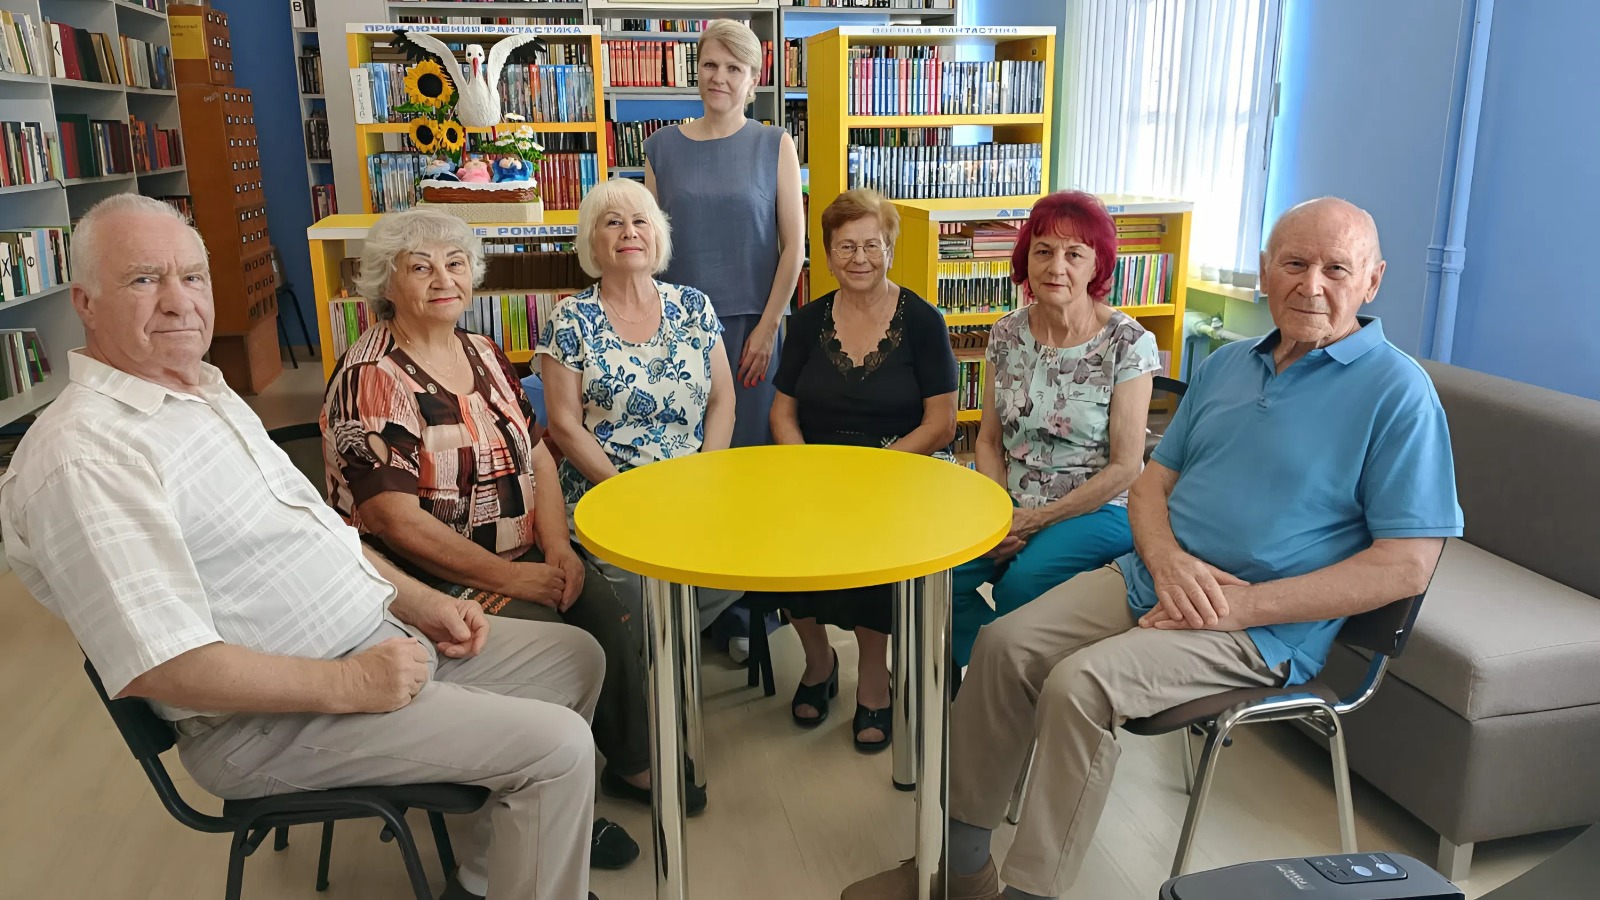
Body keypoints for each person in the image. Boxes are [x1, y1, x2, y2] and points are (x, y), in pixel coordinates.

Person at [841, 197, 1463, 900]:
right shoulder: (1229, 366)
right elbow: (1149, 485)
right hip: (1151, 574)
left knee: (1080, 686)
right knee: (1003, 645)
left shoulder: (1399, 393)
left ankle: (1030, 893)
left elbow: (1407, 565)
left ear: (1372, 281)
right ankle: (959, 871)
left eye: (1336, 269)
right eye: (1294, 263)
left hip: (1258, 625)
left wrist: (1243, 606)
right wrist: (1164, 562)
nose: (1310, 285)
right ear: (1265, 271)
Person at [0, 194, 604, 900]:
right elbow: (160, 666)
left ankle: (487, 877)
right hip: (266, 721)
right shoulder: (84, 455)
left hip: (378, 638)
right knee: (559, 749)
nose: (178, 302)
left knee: (576, 659)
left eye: (192, 277)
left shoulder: (202, 393)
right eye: (144, 279)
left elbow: (322, 531)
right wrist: (353, 684)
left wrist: (421, 604)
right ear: (85, 301)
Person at [319, 208, 695, 839]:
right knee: (554, 648)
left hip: (523, 551)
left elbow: (538, 453)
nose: (443, 279)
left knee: (606, 610)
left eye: (455, 264)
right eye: (420, 267)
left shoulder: (485, 352)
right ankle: (539, 816)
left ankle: (628, 765)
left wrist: (558, 549)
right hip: (420, 577)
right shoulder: (373, 377)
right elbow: (394, 521)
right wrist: (513, 579)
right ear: (387, 283)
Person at [770, 189, 957, 752]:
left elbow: (942, 423)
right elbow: (782, 413)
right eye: (845, 246)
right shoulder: (806, 322)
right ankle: (819, 659)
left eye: (871, 245)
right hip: (817, 466)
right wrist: (807, 467)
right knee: (777, 538)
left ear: (890, 249)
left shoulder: (923, 321)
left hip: (898, 467)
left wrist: (876, 471)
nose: (859, 258)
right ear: (827, 255)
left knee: (880, 540)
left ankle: (874, 676)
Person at [950, 191, 1162, 670]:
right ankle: (990, 672)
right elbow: (989, 440)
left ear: (1096, 265)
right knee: (936, 575)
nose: (1056, 267)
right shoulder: (1006, 333)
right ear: (1026, 259)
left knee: (1020, 585)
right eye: (1043, 251)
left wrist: (1036, 519)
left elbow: (1126, 467)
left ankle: (1003, 682)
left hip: (1098, 507)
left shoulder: (1128, 343)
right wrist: (1001, 513)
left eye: (1074, 254)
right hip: (1011, 502)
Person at [538, 178, 743, 638]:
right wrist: (625, 494)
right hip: (608, 492)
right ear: (592, 242)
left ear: (657, 235)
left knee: (746, 560)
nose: (629, 232)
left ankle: (664, 649)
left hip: (691, 487)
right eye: (613, 223)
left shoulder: (693, 306)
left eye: (640, 221)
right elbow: (565, 425)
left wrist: (705, 477)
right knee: (639, 584)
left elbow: (723, 400)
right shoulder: (571, 319)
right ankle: (655, 662)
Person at [644, 17, 804, 447]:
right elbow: (649, 250)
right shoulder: (660, 147)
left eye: (734, 68)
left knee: (750, 453)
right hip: (675, 327)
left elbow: (794, 247)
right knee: (681, 451)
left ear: (754, 79)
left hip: (752, 330)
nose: (719, 77)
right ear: (696, 70)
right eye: (710, 65)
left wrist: (769, 327)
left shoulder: (775, 144)